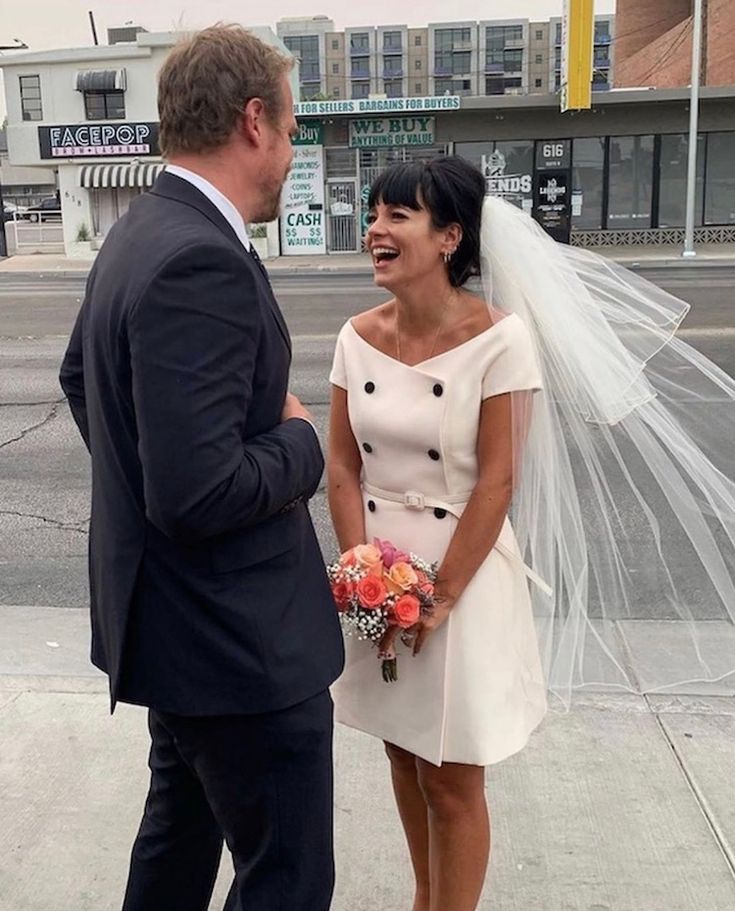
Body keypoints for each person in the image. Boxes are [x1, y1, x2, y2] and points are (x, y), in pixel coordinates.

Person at [327, 155, 735, 911]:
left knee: (451, 774)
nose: (374, 230)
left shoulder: (500, 339)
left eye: (396, 216)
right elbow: (343, 467)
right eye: (374, 215)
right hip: (376, 577)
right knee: (400, 748)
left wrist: (439, 594)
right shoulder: (356, 336)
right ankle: (425, 896)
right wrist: (359, 567)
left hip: (460, 577)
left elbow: (496, 480)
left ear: (449, 235)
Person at [59, 25, 343, 911]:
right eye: (293, 130)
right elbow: (199, 491)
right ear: (253, 121)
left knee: (177, 846)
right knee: (286, 877)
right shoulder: (199, 257)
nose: (293, 152)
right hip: (238, 644)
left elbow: (78, 378)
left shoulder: (146, 227)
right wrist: (302, 443)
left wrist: (151, 475)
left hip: (179, 632)